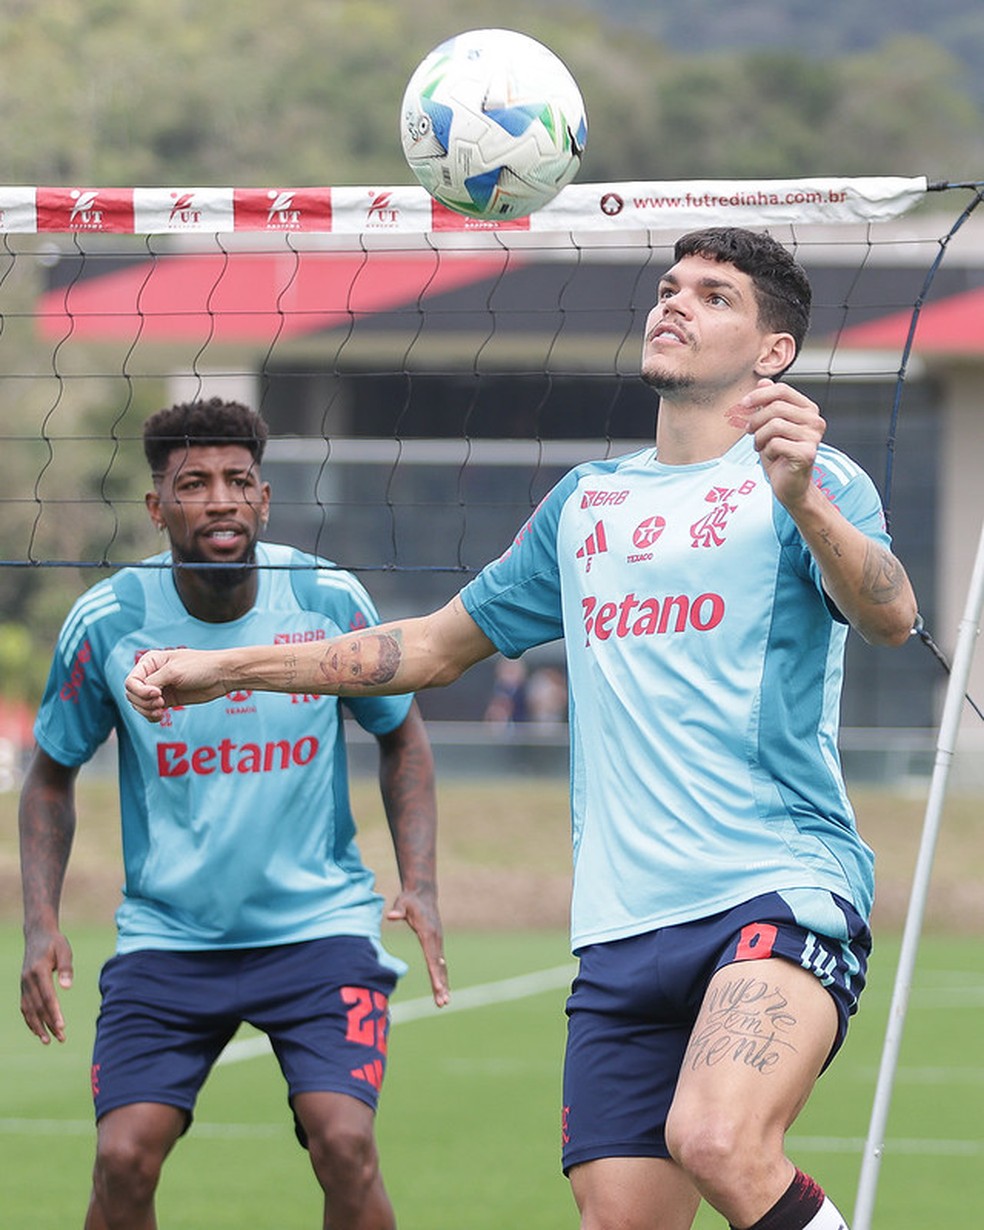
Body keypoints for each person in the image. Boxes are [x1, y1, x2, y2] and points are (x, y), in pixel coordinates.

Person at [125, 229, 918, 1230]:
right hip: (625, 925)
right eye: (670, 287)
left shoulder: (815, 480)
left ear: (774, 353)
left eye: (715, 297)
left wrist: (803, 501)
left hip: (776, 884)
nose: (674, 304)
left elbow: (892, 615)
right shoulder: (585, 506)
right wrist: (223, 667)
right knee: (621, 1220)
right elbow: (425, 648)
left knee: (719, 1139)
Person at [19, 397, 448, 1230]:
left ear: (263, 498)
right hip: (171, 939)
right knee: (120, 1159)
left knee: (345, 1144)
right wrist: (41, 924)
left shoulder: (327, 601)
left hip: (318, 930)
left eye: (236, 480)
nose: (219, 498)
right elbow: (48, 776)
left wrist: (420, 883)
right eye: (193, 483)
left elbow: (404, 737)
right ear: (156, 507)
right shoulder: (107, 623)